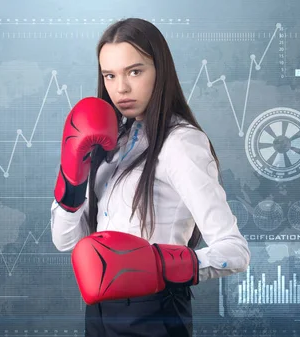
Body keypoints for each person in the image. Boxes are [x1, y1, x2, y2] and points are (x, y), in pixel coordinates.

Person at [50, 17, 250, 337]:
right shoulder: (108, 143)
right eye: (110, 76)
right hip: (99, 312)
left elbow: (235, 252)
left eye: (135, 71)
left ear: (161, 70)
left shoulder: (181, 144)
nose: (121, 88)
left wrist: (156, 265)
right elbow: (66, 242)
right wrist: (71, 179)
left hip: (155, 313)